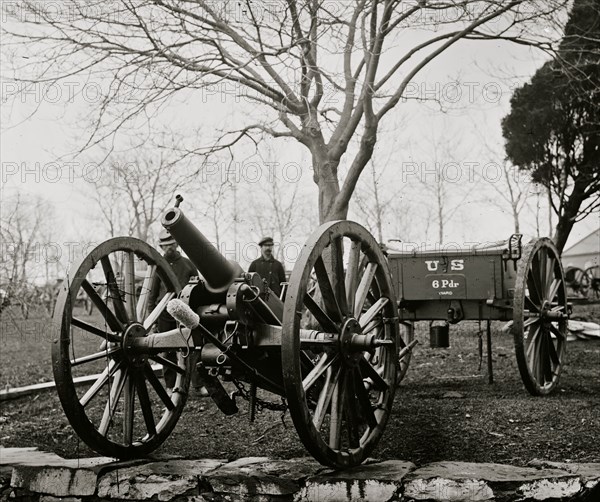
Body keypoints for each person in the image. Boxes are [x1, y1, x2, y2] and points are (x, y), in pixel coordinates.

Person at [147, 229, 205, 396]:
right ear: (161, 247)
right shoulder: (158, 267)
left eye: (171, 244)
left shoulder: (188, 264)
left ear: (177, 244)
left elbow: (199, 290)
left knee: (193, 349)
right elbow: (152, 295)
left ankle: (198, 384)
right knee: (168, 350)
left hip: (186, 313)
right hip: (164, 314)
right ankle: (170, 386)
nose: (169, 248)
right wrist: (153, 318)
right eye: (165, 246)